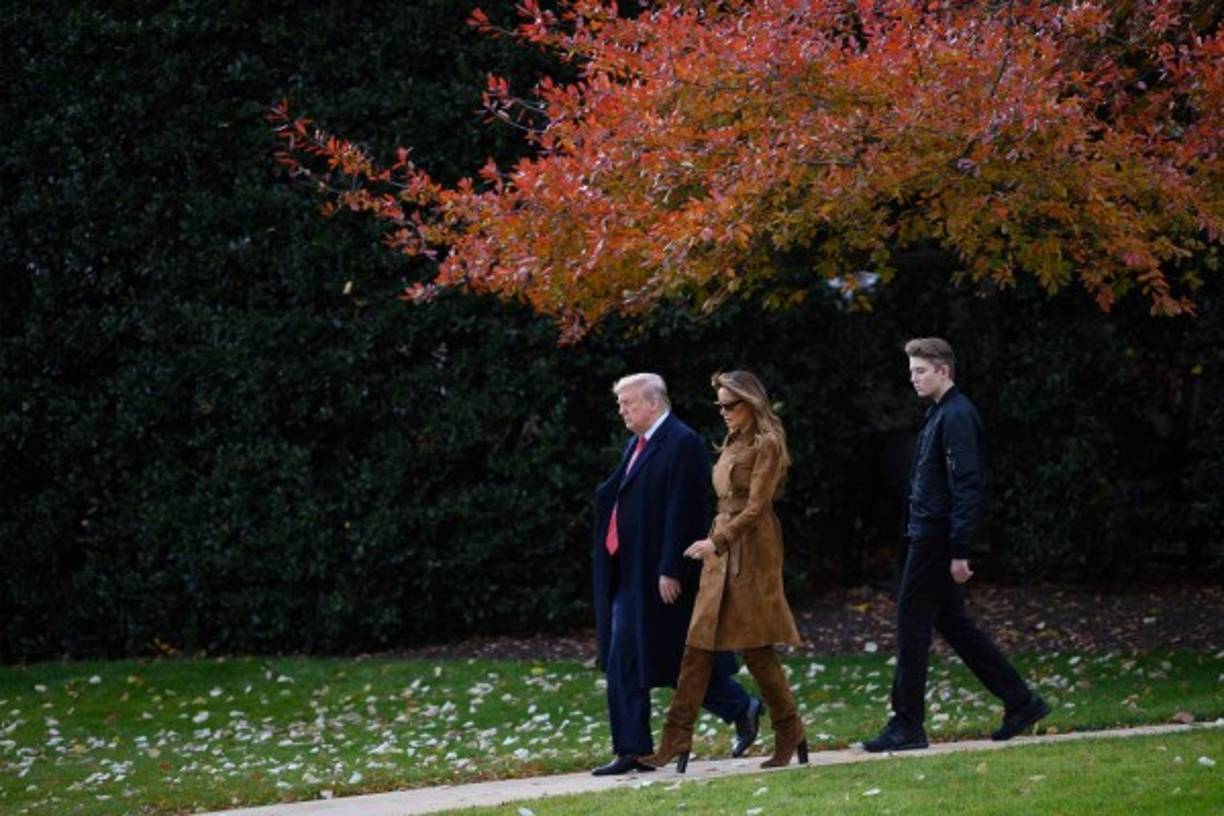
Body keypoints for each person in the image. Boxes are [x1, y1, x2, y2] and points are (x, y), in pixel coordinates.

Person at [863, 338, 1049, 753]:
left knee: (912, 623)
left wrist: (960, 549)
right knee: (953, 625)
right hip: (926, 534)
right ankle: (1021, 701)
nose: (913, 378)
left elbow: (968, 485)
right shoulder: (939, 413)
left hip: (935, 537)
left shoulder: (958, 415)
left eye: (921, 371)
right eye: (911, 371)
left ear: (944, 371)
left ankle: (907, 724)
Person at [590, 373, 764, 776]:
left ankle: (741, 706)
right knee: (626, 660)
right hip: (629, 569)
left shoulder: (681, 442)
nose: (622, 411)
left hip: (659, 572)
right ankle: (632, 749)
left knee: (670, 659)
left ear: (653, 403)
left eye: (627, 403)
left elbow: (684, 510)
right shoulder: (636, 443)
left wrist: (673, 567)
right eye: (620, 404)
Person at [641, 370, 807, 773]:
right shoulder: (731, 443)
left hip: (751, 552)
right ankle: (674, 739)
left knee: (757, 650)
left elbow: (756, 508)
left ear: (751, 403)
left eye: (730, 405)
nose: (723, 413)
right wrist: (715, 541)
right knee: (696, 647)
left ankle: (790, 730)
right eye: (719, 405)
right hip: (721, 548)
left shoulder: (767, 445)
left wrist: (717, 541)